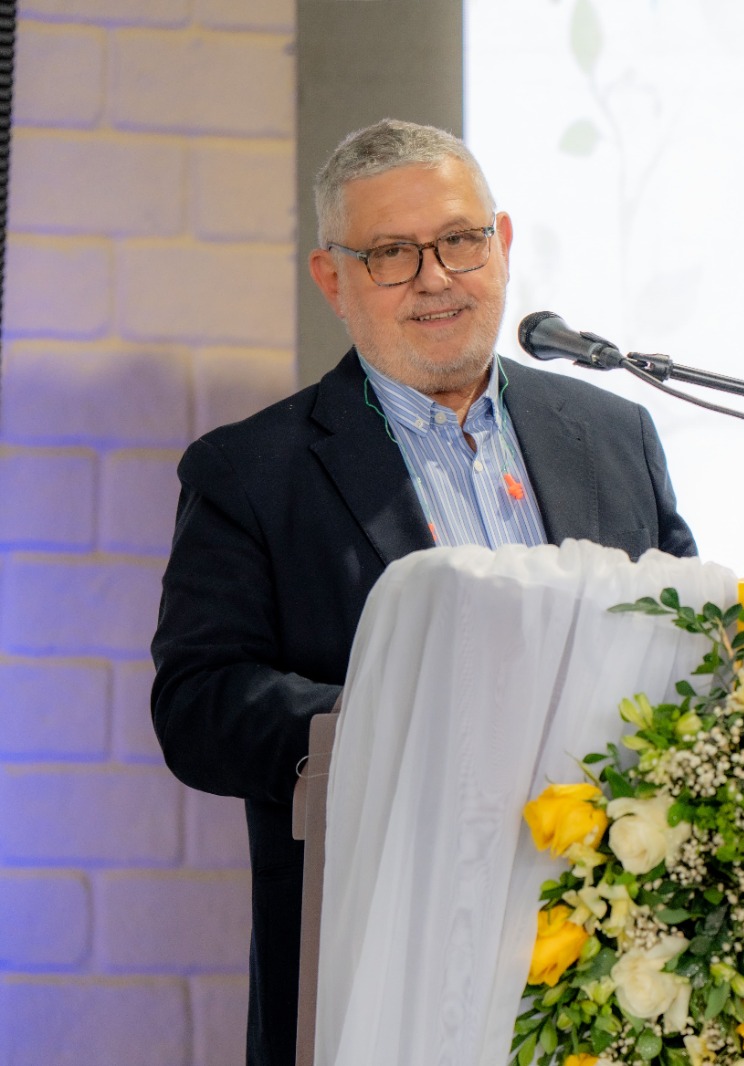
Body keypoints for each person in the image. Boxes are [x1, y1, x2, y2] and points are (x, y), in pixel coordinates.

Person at [150, 120, 696, 1066]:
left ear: (505, 243)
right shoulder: (252, 472)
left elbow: (693, 647)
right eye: (392, 254)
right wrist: (408, 719)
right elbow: (197, 706)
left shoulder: (613, 435)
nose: (437, 277)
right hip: (384, 962)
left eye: (460, 240)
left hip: (626, 966)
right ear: (333, 279)